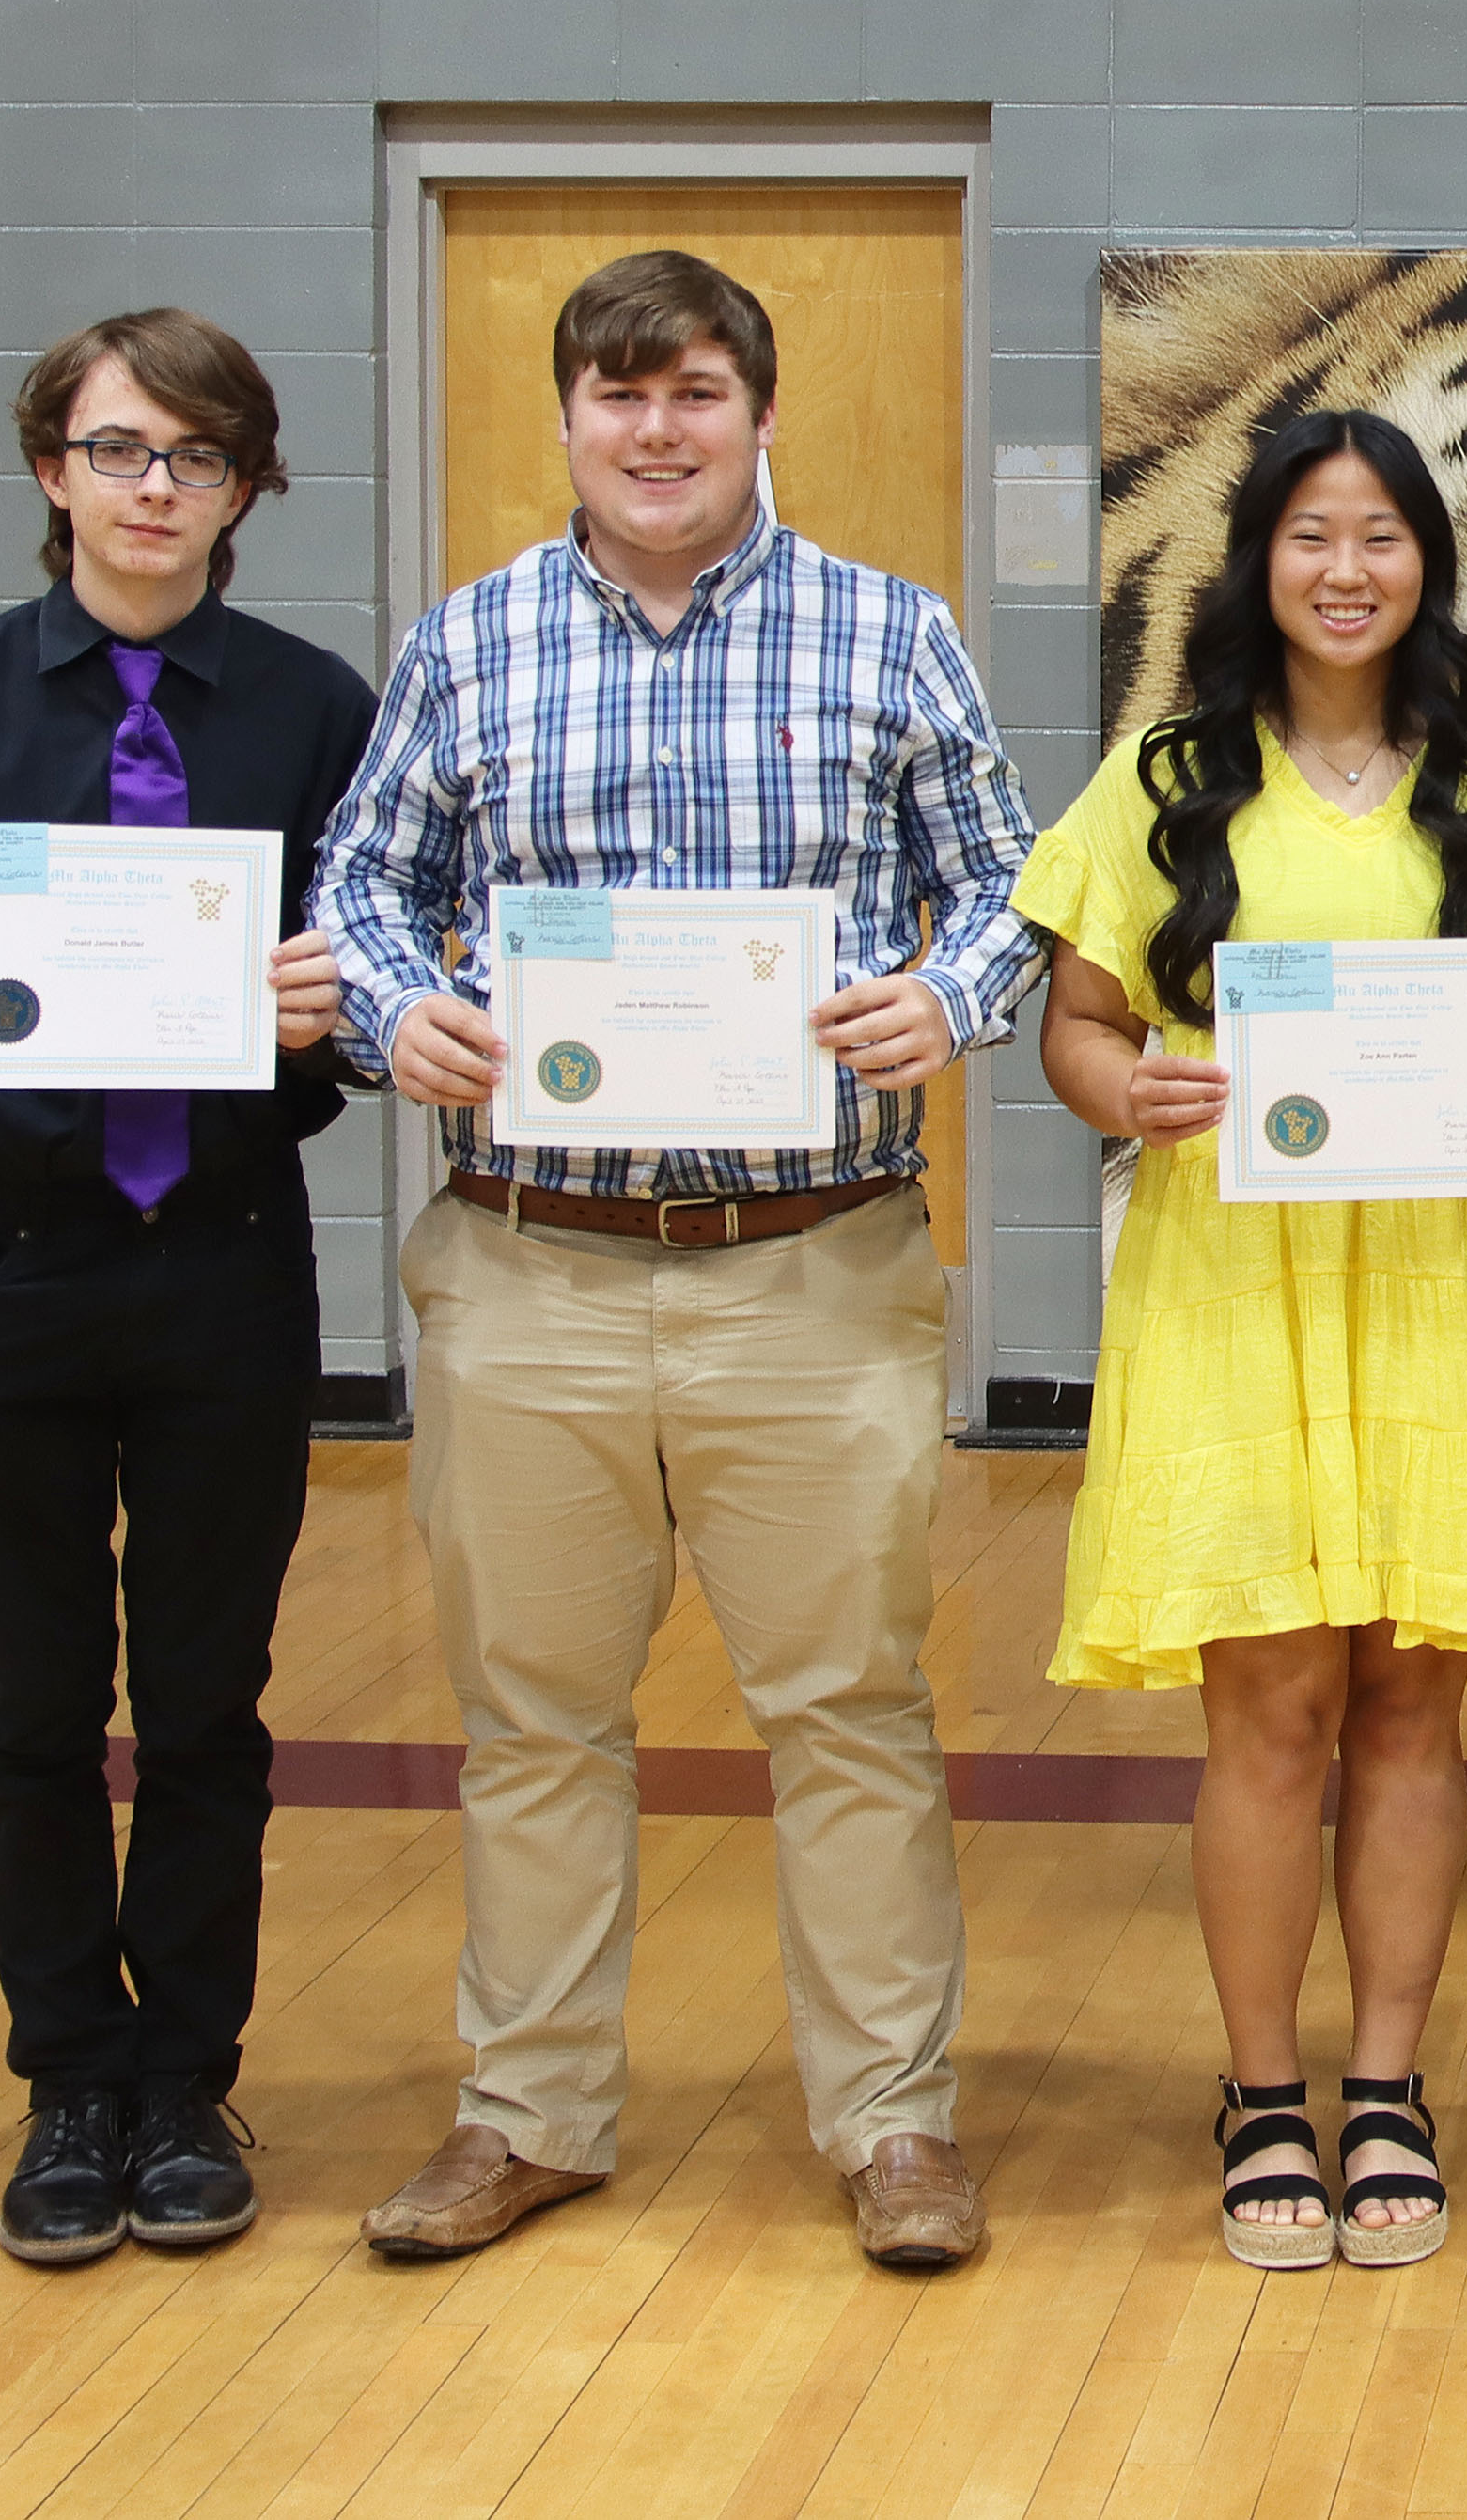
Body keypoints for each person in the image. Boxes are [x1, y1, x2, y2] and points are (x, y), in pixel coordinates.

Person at [315, 250, 1043, 2273]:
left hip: (812, 1264)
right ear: (565, 418)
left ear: (760, 412)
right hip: (531, 1259)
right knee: (532, 1717)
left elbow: (1007, 886)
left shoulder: (891, 633)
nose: (657, 430)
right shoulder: (466, 644)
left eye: (697, 392)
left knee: (850, 1707)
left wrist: (947, 999)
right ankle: (526, 2109)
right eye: (619, 395)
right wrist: (400, 1017)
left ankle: (893, 2121)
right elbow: (366, 889)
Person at [0, 308, 371, 2264]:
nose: (153, 489)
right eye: (118, 450)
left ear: (245, 490)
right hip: (13, 1276)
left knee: (208, 1702)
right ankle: (68, 2080)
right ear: (51, 471)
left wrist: (339, 1005)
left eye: (195, 458)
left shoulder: (310, 707)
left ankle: (188, 2076)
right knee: (35, 1705)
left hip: (221, 1265)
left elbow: (378, 1001)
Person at [1017, 411, 1467, 2271]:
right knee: (1271, 1705)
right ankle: (1262, 2086)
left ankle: (1389, 2084)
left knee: (1412, 1701)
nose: (1348, 567)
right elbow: (1073, 1023)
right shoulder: (1164, 775)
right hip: (1237, 1293)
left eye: (1382, 534)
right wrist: (1134, 1089)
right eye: (1312, 534)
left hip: (1448, 1295)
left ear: (1427, 565)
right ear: (1257, 560)